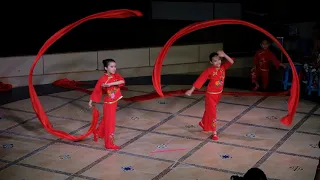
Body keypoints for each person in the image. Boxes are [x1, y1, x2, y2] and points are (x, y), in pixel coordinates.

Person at [185, 50, 234, 140]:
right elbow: (200, 80)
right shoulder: (209, 70)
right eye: (215, 61)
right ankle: (214, 132)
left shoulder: (223, 67)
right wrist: (191, 90)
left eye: (219, 59)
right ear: (211, 62)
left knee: (209, 110)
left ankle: (203, 123)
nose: (218, 62)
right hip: (210, 95)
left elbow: (231, 61)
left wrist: (224, 54)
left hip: (219, 94)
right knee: (213, 113)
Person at [88, 59, 125, 150]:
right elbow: (97, 90)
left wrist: (110, 84)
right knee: (110, 123)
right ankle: (109, 144)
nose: (114, 68)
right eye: (111, 67)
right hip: (109, 103)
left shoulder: (116, 75)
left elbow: (122, 82)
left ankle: (98, 133)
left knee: (106, 119)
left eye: (115, 66)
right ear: (106, 68)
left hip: (114, 102)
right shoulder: (102, 79)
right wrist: (91, 100)